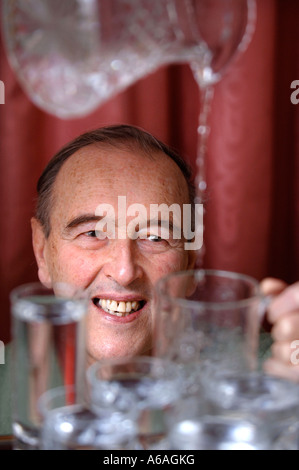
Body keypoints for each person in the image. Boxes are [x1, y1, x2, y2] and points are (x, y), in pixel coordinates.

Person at [1, 124, 299, 436]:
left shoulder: (270, 374)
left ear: (190, 260)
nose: (124, 271)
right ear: (41, 251)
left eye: (156, 237)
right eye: (92, 233)